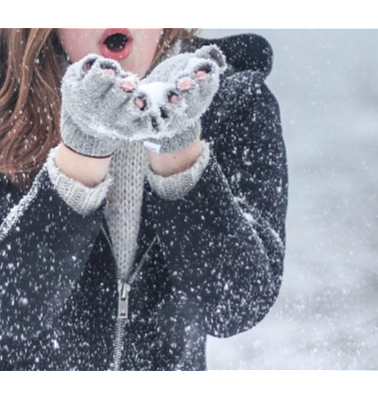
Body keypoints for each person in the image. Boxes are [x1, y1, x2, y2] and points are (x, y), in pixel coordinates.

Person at [0, 28, 288, 371]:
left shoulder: (233, 101)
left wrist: (179, 147)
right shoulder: (7, 104)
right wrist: (81, 156)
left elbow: (235, 305)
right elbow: (9, 317)